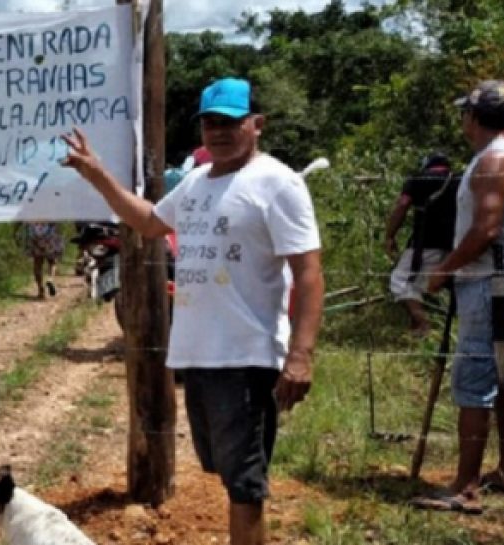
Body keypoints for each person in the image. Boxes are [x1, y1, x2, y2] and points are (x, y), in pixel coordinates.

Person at [62, 77, 324, 545]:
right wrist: (97, 174)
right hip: (198, 356)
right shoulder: (198, 182)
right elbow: (147, 221)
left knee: (245, 487)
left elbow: (308, 271)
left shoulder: (278, 184)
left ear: (256, 124)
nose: (219, 132)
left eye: (230, 122)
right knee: (225, 474)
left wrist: (301, 353)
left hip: (244, 358)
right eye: (210, 123)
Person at [413, 80, 504, 514]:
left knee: (474, 379)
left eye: (466, 112)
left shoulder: (494, 161)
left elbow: (485, 230)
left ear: (474, 117)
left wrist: (443, 271)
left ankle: (465, 487)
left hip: (491, 284)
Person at [383, 153, 460, 334]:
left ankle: (422, 324)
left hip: (425, 244)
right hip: (457, 246)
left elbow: (403, 205)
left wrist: (390, 235)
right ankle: (451, 326)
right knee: (449, 284)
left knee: (400, 280)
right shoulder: (460, 181)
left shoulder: (419, 179)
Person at [15, 221, 64, 298]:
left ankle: (41, 290)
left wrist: (16, 230)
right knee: (52, 261)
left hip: (34, 237)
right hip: (49, 236)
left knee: (37, 263)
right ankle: (50, 279)